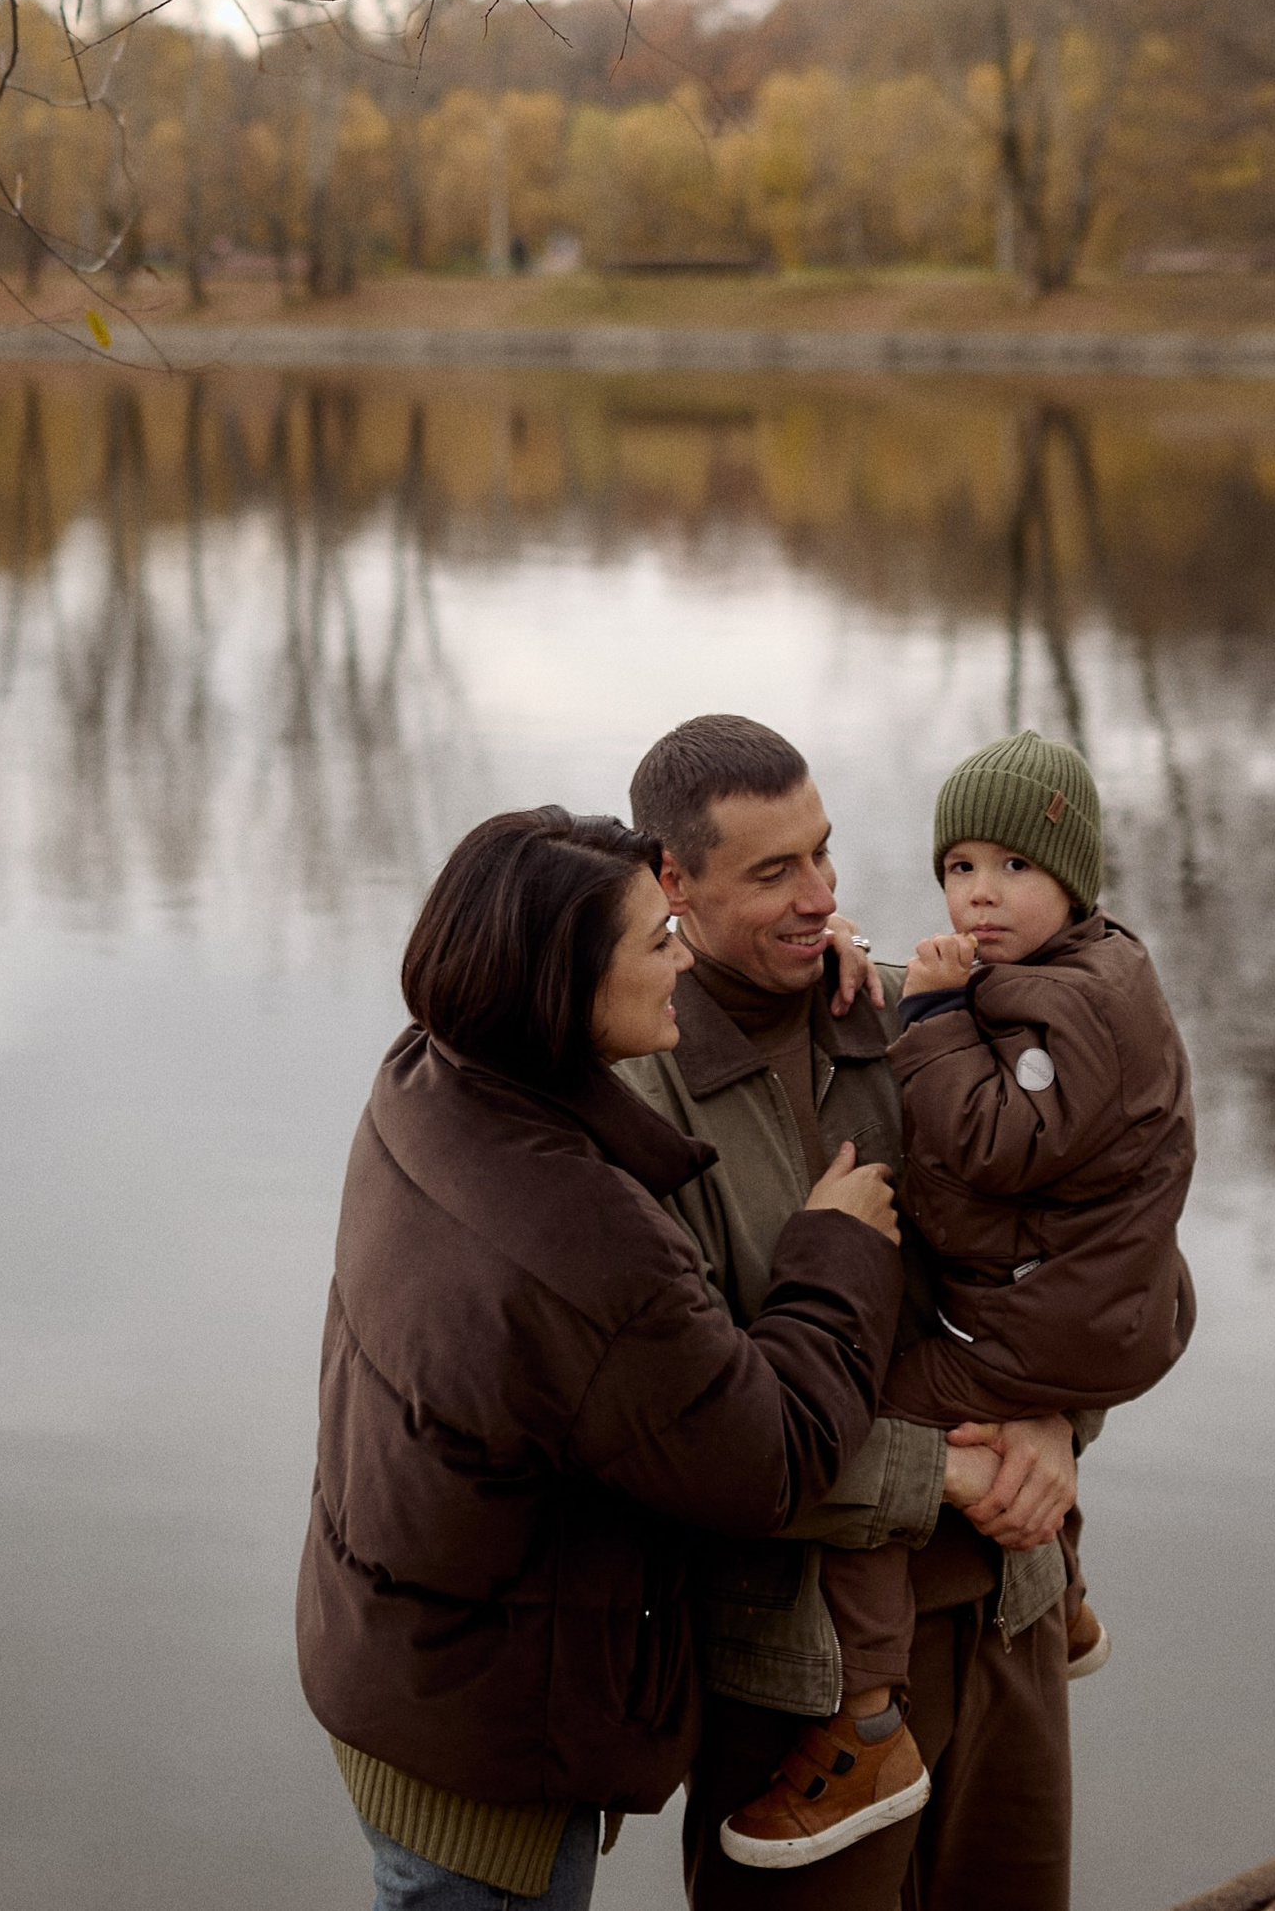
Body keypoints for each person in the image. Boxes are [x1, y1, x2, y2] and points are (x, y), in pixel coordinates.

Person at [299, 804, 993, 1911]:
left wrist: (817, 952)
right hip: (497, 1741)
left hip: (408, 1661)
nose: (680, 958)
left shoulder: (431, 1079)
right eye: (657, 942)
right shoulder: (578, 1245)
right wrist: (837, 1247)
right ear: (561, 988)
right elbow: (769, 1456)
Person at [613, 713, 1087, 1911]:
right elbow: (690, 1435)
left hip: (1011, 1606)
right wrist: (946, 1472)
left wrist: (1060, 1418)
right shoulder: (630, 1101)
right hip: (799, 1674)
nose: (819, 895)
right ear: (671, 879)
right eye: (773, 872)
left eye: (823, 853)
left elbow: (1117, 1248)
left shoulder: (924, 1009)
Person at [717, 730, 1195, 1870]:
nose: (979, 894)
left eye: (1012, 869)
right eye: (959, 867)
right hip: (1086, 1321)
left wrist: (928, 1019)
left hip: (1042, 1372)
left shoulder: (1039, 1006)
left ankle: (870, 1716)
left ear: (1073, 878)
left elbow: (1003, 1145)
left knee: (874, 1402)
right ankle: (1030, 1606)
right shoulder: (1086, 974)